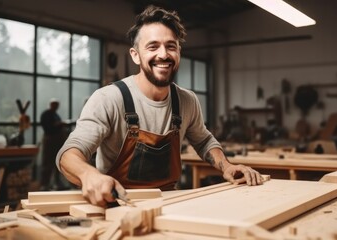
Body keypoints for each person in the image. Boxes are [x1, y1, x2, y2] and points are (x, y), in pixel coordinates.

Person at [56, 5, 263, 207]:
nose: (163, 54)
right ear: (135, 55)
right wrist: (88, 174)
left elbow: (204, 140)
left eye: (171, 46)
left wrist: (226, 166)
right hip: (119, 207)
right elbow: (69, 154)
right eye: (153, 46)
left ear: (179, 52)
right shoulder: (108, 98)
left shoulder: (187, 101)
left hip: (171, 204)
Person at [40, 99, 67, 190]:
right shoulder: (46, 114)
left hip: (57, 142)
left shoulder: (56, 114)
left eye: (57, 105)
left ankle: (57, 183)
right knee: (47, 162)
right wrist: (59, 124)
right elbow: (48, 128)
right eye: (55, 105)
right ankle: (44, 184)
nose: (56, 107)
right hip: (50, 141)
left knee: (57, 163)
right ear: (51, 104)